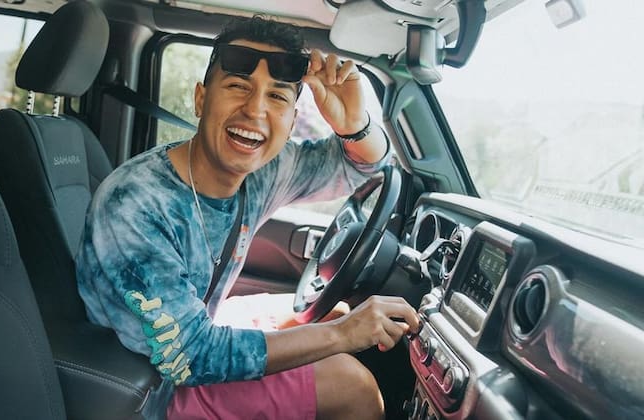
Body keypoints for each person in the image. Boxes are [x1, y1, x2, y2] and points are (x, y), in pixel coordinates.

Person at [76, 15, 420, 420]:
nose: (255, 110)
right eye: (238, 87)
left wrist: (354, 125)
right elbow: (191, 356)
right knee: (352, 385)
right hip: (149, 386)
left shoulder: (262, 172)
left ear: (291, 121)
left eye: (276, 96)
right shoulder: (135, 204)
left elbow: (364, 165)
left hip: (195, 326)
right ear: (201, 99)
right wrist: (342, 336)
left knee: (334, 311)